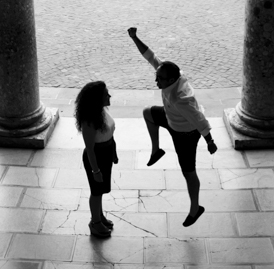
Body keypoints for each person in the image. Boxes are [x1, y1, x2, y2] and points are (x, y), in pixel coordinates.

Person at [127, 27, 217, 227]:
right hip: (170, 119)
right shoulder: (171, 74)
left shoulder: (181, 99)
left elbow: (199, 119)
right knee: (148, 112)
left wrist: (210, 141)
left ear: (170, 80)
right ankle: (156, 149)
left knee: (189, 173)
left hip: (185, 134)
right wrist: (135, 38)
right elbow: (151, 57)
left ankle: (195, 209)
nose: (155, 80)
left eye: (159, 79)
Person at [74, 80, 118, 238]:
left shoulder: (102, 111)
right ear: (97, 99)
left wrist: (114, 152)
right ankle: (95, 222)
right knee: (96, 191)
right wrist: (95, 170)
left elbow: (110, 134)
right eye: (106, 94)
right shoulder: (89, 120)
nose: (109, 96)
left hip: (106, 154)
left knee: (101, 189)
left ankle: (100, 217)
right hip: (96, 158)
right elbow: (90, 148)